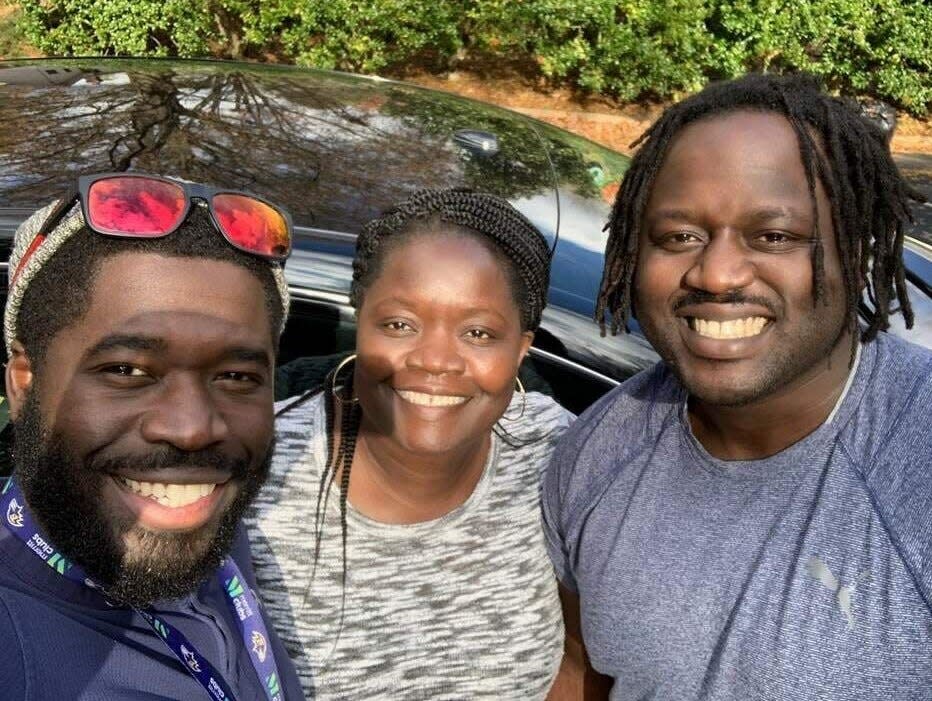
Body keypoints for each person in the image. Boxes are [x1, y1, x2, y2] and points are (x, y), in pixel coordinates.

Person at [543, 73, 932, 700]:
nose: (717, 273)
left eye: (774, 236)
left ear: (854, 252)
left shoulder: (915, 463)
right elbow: (578, 668)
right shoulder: (594, 454)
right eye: (680, 237)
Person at [246, 188, 571, 699]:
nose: (435, 360)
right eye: (399, 324)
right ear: (361, 326)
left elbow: (582, 661)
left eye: (479, 333)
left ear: (521, 349)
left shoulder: (560, 456)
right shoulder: (255, 473)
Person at [0, 173, 305, 700]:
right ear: (26, 384)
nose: (192, 431)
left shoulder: (197, 521)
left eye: (236, 376)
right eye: (126, 371)